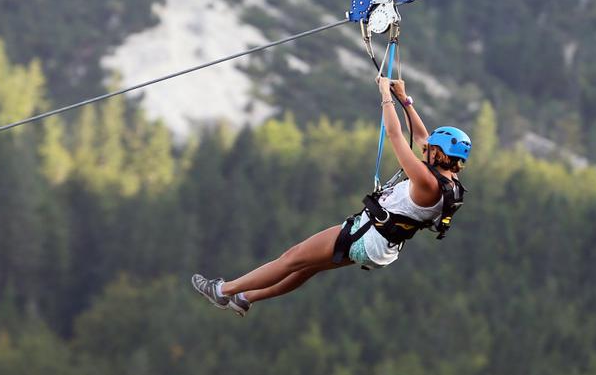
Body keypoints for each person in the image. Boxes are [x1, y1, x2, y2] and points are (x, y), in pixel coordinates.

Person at [191, 76, 471, 317]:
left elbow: (397, 137)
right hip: (383, 246)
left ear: (440, 154)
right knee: (305, 269)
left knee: (292, 258)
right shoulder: (449, 183)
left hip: (367, 235)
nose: (426, 149)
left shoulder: (425, 181)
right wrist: (405, 100)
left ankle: (222, 290)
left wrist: (386, 97)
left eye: (432, 148)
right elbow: (421, 137)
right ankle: (246, 299)